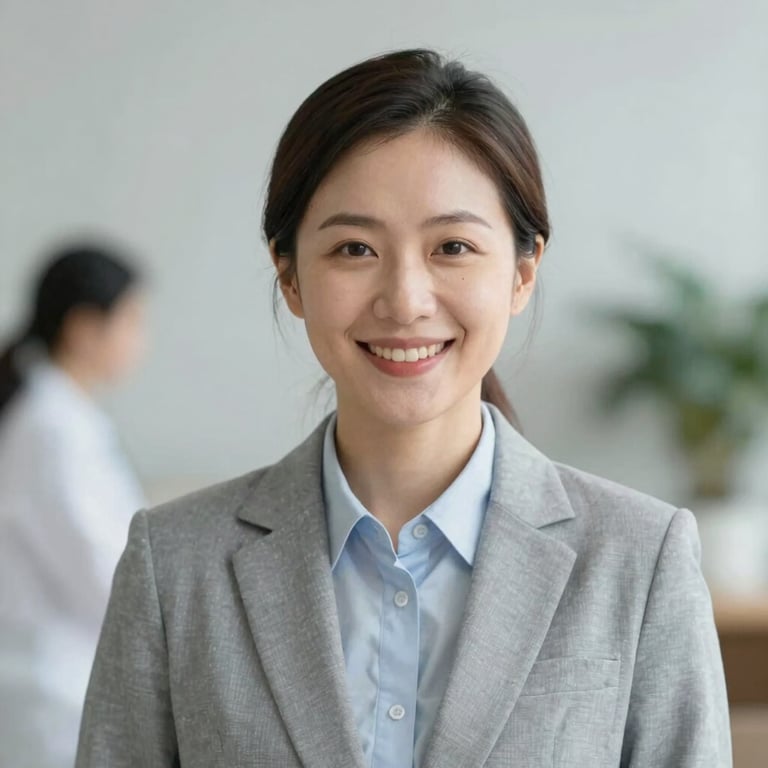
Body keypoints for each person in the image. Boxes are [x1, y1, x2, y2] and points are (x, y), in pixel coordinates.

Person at [76, 50, 731, 767]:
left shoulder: (638, 559)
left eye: (452, 246)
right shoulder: (175, 565)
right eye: (354, 249)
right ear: (290, 276)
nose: (406, 300)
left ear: (522, 272)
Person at [0, 242, 147, 767]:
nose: (139, 341)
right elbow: (102, 572)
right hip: (52, 696)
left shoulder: (61, 416)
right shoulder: (52, 429)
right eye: (131, 321)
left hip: (60, 686)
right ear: (84, 328)